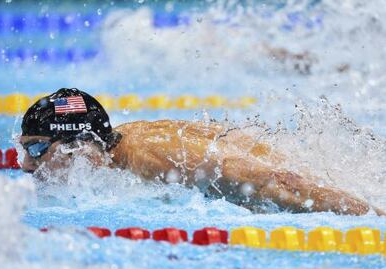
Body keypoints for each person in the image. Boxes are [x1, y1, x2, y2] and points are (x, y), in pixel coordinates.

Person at [20, 88, 379, 216]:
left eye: (36, 148)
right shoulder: (116, 150)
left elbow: (283, 181)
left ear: (78, 147)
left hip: (303, 178)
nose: (26, 164)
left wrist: (373, 215)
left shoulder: (155, 157)